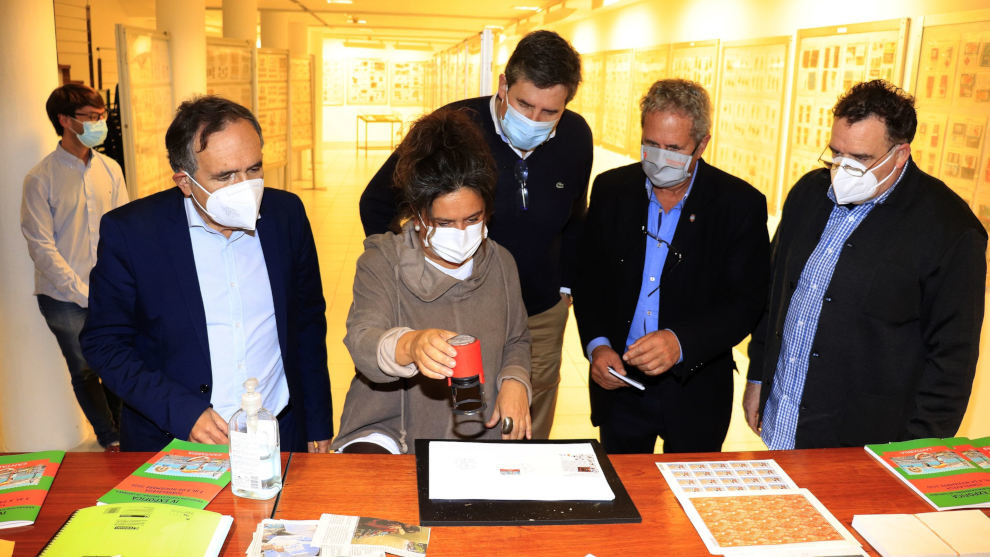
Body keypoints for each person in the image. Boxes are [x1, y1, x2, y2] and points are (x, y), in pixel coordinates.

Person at [358, 30, 591, 440]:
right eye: (524, 105)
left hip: (538, 310)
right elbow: (376, 202)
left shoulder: (575, 137)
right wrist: (406, 274)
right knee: (453, 415)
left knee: (525, 419)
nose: (534, 120)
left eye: (549, 111)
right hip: (451, 307)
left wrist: (566, 287)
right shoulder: (454, 128)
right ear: (503, 85)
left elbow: (575, 216)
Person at [80, 96, 333, 452]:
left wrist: (318, 421)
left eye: (254, 169)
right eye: (225, 176)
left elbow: (307, 323)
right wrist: (182, 412)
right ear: (184, 181)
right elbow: (105, 343)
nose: (245, 186)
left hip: (278, 429)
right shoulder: (133, 233)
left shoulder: (286, 215)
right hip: (175, 438)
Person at [745, 80, 987, 449]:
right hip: (783, 419)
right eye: (835, 154)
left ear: (900, 153)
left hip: (864, 442)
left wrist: (914, 455)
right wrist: (758, 378)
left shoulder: (950, 229)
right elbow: (774, 293)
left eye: (859, 159)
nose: (842, 169)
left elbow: (951, 360)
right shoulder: (808, 194)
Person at [574, 79, 770, 454]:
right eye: (651, 145)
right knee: (625, 492)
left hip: (694, 388)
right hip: (620, 383)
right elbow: (590, 279)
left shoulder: (738, 204)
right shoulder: (611, 189)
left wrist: (681, 342)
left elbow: (746, 303)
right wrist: (598, 346)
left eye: (674, 148)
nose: (660, 158)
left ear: (702, 144)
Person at [332, 108, 532, 455]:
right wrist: (410, 345)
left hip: (478, 433)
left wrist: (515, 380)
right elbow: (363, 339)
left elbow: (516, 339)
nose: (461, 233)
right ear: (419, 215)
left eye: (472, 218)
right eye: (444, 222)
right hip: (392, 433)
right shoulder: (383, 260)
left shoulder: (500, 263)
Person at [21, 83, 128, 451]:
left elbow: (123, 229)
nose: (100, 123)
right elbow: (41, 246)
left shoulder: (111, 169)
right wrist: (80, 291)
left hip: (108, 289)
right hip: (62, 296)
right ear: (65, 121)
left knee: (117, 361)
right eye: (91, 117)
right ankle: (110, 438)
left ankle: (125, 433)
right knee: (84, 369)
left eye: (102, 116)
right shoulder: (41, 178)